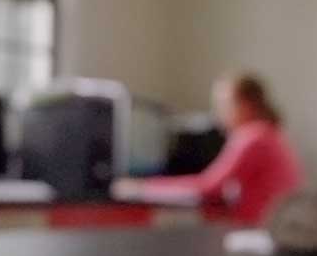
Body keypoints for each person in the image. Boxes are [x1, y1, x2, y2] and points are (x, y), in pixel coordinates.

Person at [114, 71, 303, 225]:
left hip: (255, 229)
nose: (218, 112)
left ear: (246, 105)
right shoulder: (268, 133)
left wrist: (142, 188)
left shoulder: (253, 137)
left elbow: (208, 186)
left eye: (224, 104)